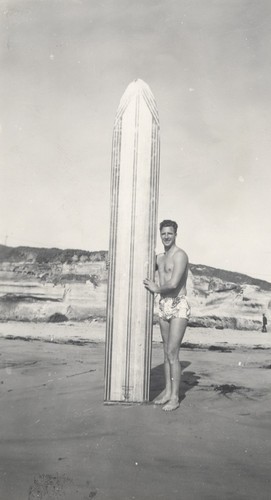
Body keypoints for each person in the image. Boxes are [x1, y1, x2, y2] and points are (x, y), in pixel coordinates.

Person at [143, 219, 190, 411]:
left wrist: (155, 288)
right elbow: (136, 266)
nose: (166, 236)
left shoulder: (180, 255)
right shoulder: (159, 258)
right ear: (160, 235)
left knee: (172, 352)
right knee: (165, 353)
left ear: (175, 234)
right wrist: (109, 262)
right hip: (163, 305)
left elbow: (173, 283)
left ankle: (175, 398)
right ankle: (168, 392)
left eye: (170, 233)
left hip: (178, 304)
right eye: (163, 233)